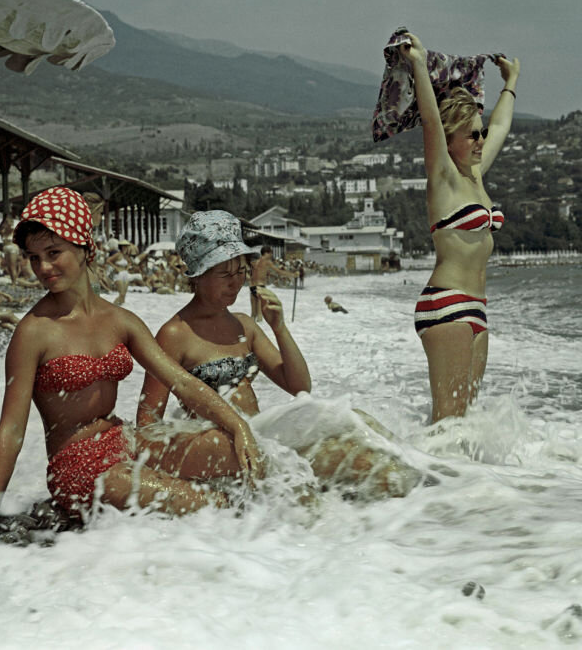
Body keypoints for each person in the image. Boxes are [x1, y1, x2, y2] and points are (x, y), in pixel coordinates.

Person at [0, 187, 264, 551]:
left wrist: (238, 426)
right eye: (34, 257)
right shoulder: (34, 332)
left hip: (124, 442)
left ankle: (303, 540)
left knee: (242, 453)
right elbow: (12, 428)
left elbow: (181, 382)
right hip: (78, 468)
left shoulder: (121, 320)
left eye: (53, 253)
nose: (43, 268)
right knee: (214, 506)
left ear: (84, 249)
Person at [140, 210, 422, 498]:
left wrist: (280, 328)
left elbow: (299, 386)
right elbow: (148, 424)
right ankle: (422, 500)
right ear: (197, 274)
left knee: (357, 422)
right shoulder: (175, 334)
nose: (235, 282)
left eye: (240, 271)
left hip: (263, 436)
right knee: (364, 464)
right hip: (228, 452)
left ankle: (428, 469)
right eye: (224, 273)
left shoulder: (244, 325)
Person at [401, 31, 520, 422]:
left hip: (477, 308)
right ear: (450, 140)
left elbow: (500, 127)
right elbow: (431, 120)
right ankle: (415, 481)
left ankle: (445, 482)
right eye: (471, 134)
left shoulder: (476, 176)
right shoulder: (443, 178)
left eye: (480, 132)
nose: (480, 140)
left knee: (462, 420)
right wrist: (418, 64)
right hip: (446, 304)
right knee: (448, 421)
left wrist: (511, 83)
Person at [249, 246, 297, 323]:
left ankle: (249, 333)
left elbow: (255, 273)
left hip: (252, 287)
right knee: (260, 314)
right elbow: (279, 272)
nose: (271, 255)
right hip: (260, 287)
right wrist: (292, 275)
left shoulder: (254, 262)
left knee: (253, 314)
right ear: (266, 253)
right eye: (271, 253)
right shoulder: (267, 262)